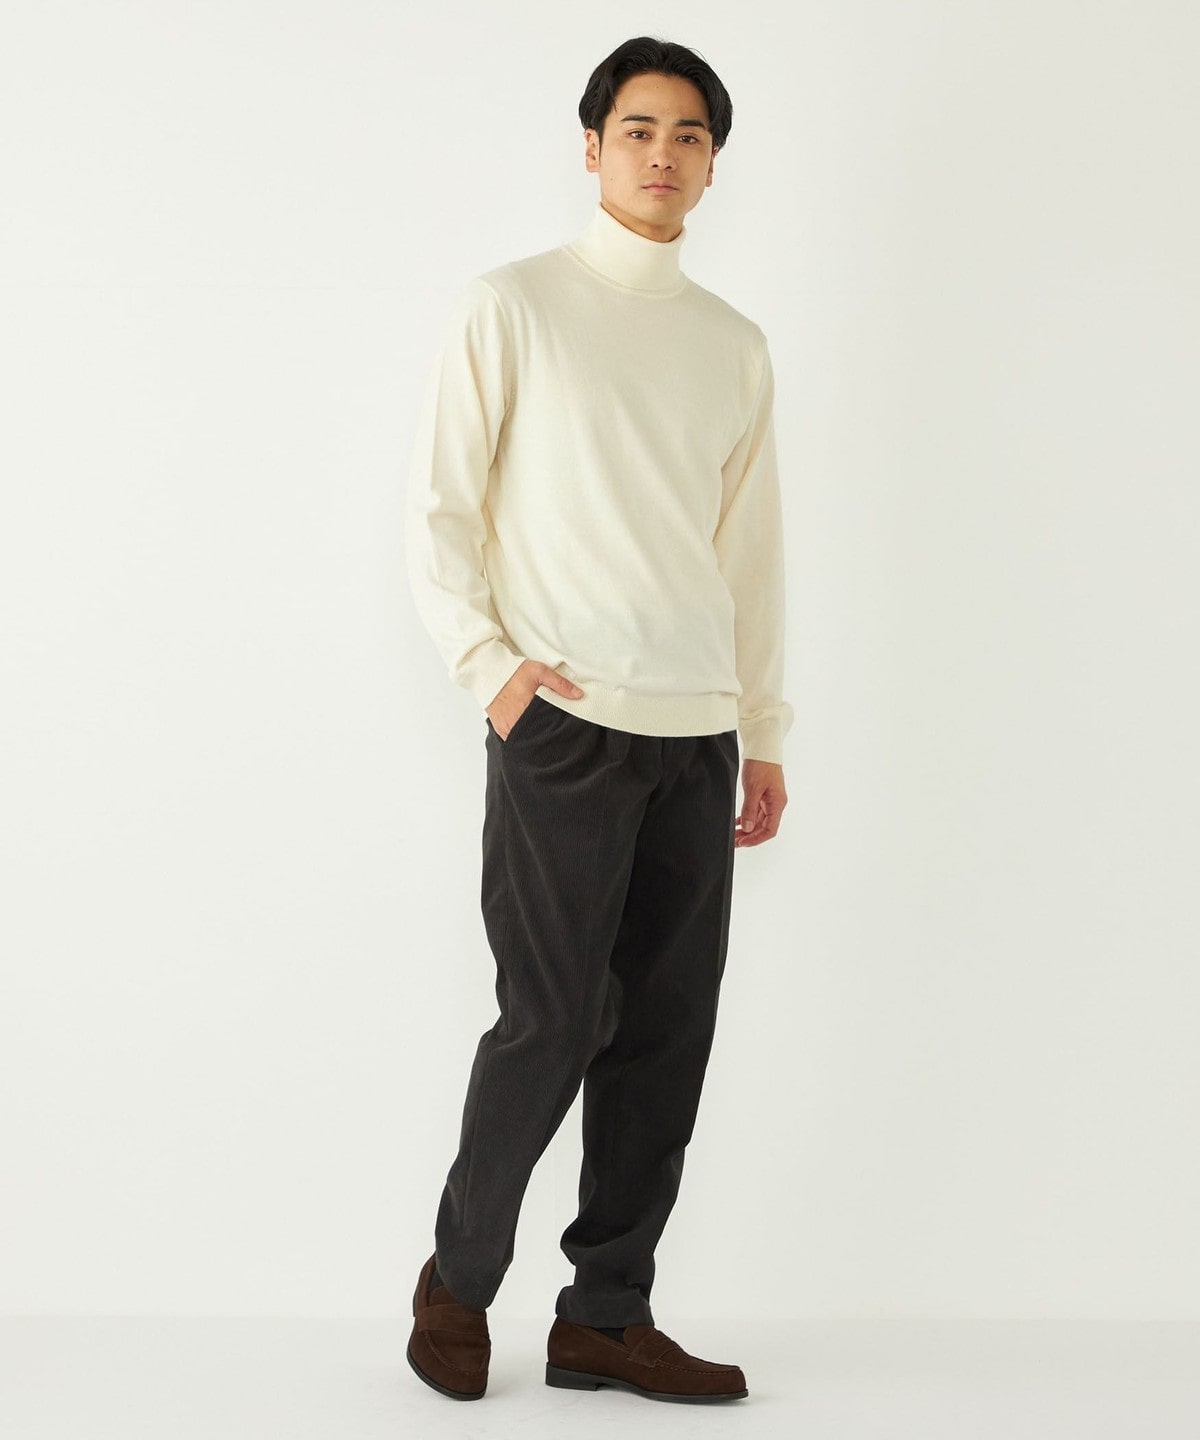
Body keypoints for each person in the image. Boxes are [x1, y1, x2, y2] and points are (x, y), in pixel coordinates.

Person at [402, 34, 792, 1404]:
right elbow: (440, 511)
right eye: (638, 129)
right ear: (591, 146)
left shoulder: (732, 345)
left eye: (689, 136)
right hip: (562, 723)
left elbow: (750, 554)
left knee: (667, 1029)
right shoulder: (512, 306)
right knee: (551, 1020)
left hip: (696, 729)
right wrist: (490, 670)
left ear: (712, 164)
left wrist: (763, 726)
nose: (662, 155)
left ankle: (606, 1315)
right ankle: (457, 1284)